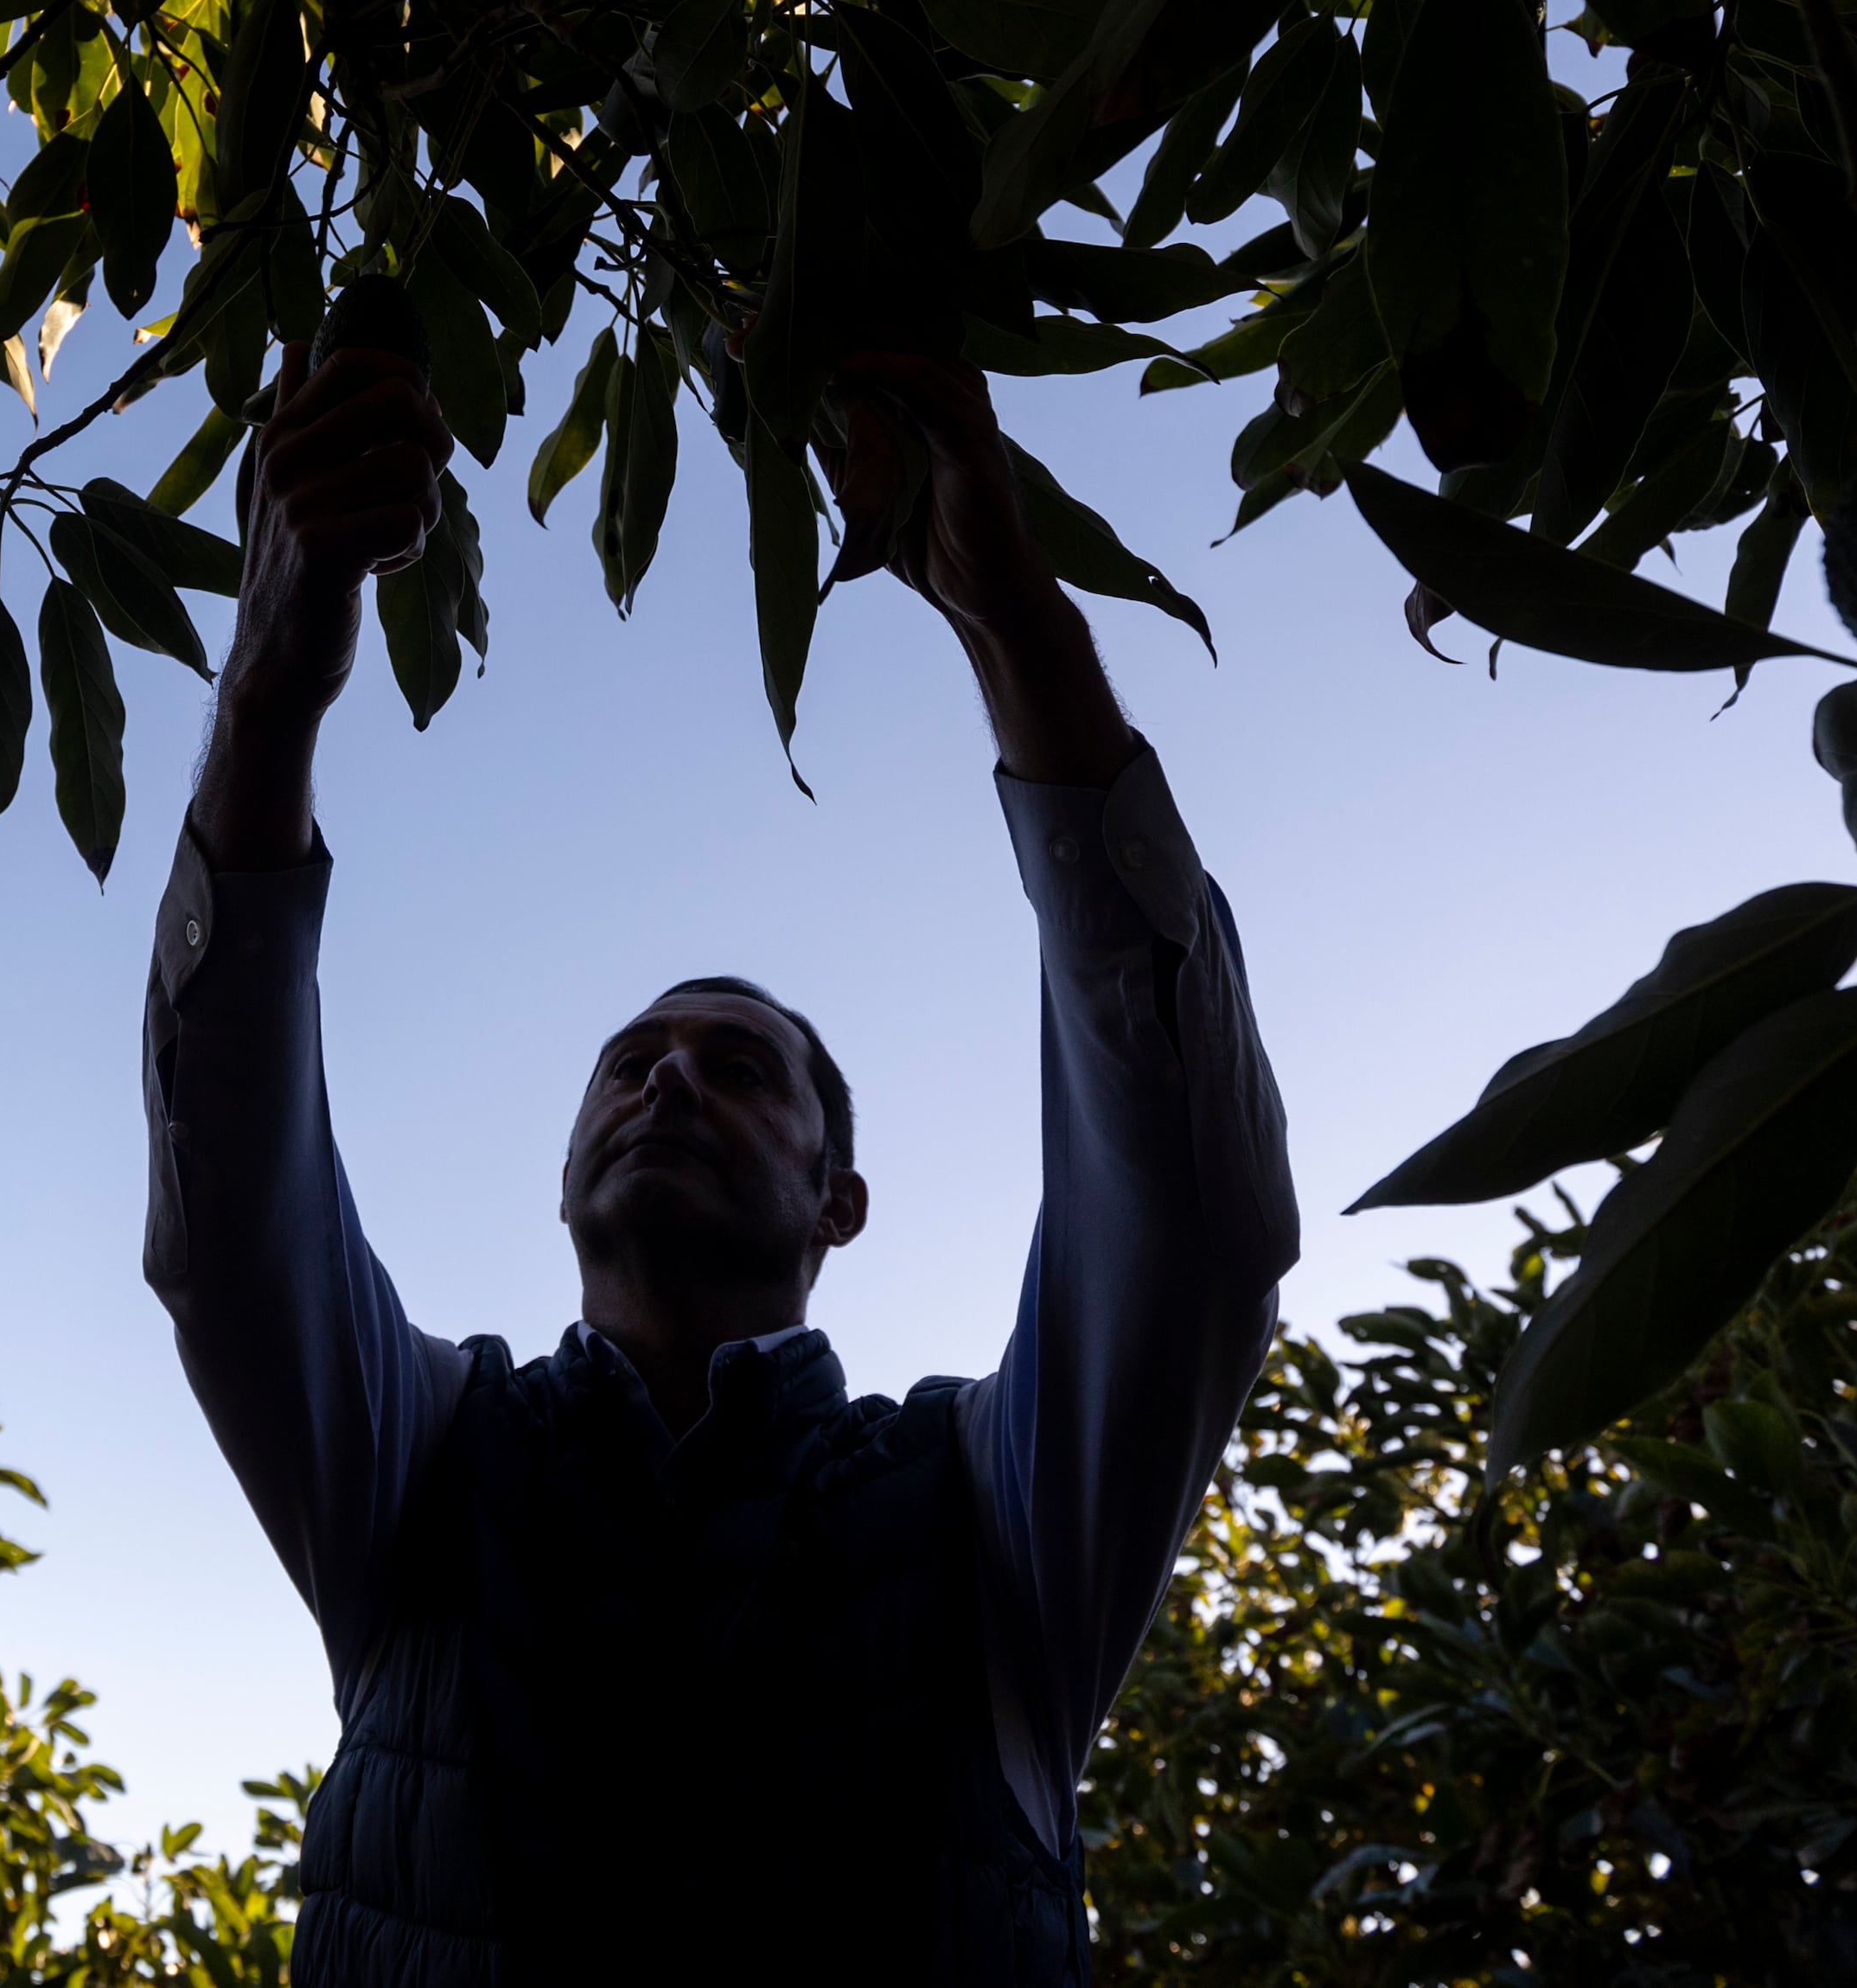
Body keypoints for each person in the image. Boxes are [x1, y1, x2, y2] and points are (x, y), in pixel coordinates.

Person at [138, 323, 1299, 1985]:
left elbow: (1190, 1219)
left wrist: (1008, 613)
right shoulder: (419, 1461)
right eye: (631, 1061)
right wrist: (270, 677)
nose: (666, 1082)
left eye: (739, 1067)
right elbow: (227, 1209)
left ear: (843, 1198)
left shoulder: (993, 1512)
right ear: (562, 1181)